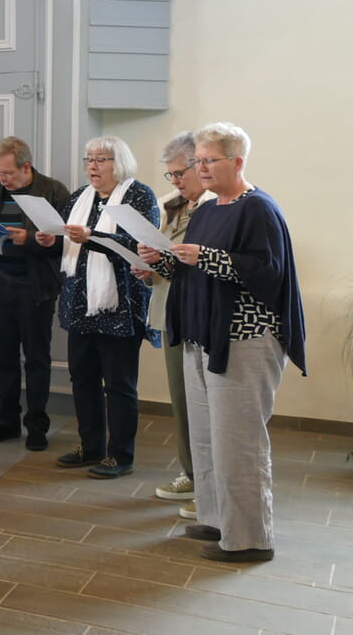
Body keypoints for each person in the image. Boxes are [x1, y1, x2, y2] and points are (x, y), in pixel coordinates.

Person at [142, 122, 304, 563]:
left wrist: (207, 257)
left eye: (209, 160)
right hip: (203, 334)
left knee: (240, 442)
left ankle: (250, 539)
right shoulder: (210, 209)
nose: (201, 168)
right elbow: (197, 271)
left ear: (237, 161)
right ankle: (216, 520)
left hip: (244, 338)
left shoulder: (259, 208)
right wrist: (165, 262)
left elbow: (269, 272)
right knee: (208, 439)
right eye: (198, 160)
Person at [34, 136, 157, 478]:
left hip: (120, 305)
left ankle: (121, 455)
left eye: (101, 159)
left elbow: (140, 245)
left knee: (119, 385)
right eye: (89, 159)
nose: (92, 166)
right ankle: (91, 446)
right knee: (83, 380)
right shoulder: (79, 197)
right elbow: (68, 239)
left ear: (119, 162)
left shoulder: (138, 195)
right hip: (78, 303)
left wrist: (93, 237)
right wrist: (50, 239)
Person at [0, 137, 69, 452]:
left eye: (8, 173)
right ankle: (7, 420)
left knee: (36, 359)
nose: (2, 179)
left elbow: (67, 242)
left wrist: (32, 240)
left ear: (26, 167)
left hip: (35, 287)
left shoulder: (53, 191)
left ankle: (37, 425)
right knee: (3, 358)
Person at [134, 131, 214, 515]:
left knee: (205, 404)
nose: (176, 181)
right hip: (170, 312)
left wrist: (165, 262)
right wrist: (148, 267)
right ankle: (192, 474)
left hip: (199, 317)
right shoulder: (175, 207)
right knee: (182, 402)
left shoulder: (217, 209)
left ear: (202, 165)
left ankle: (211, 485)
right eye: (171, 175)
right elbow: (169, 261)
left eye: (180, 172)